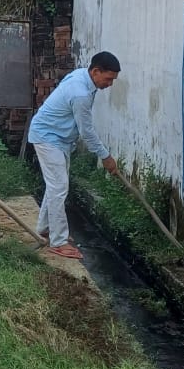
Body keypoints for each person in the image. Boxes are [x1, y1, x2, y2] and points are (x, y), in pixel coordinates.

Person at [27, 51, 121, 260]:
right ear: (96, 71)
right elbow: (86, 132)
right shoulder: (80, 93)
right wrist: (105, 156)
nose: (110, 84)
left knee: (56, 186)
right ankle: (58, 242)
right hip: (47, 136)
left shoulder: (83, 77)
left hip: (59, 138)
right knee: (59, 188)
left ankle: (45, 228)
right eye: (108, 79)